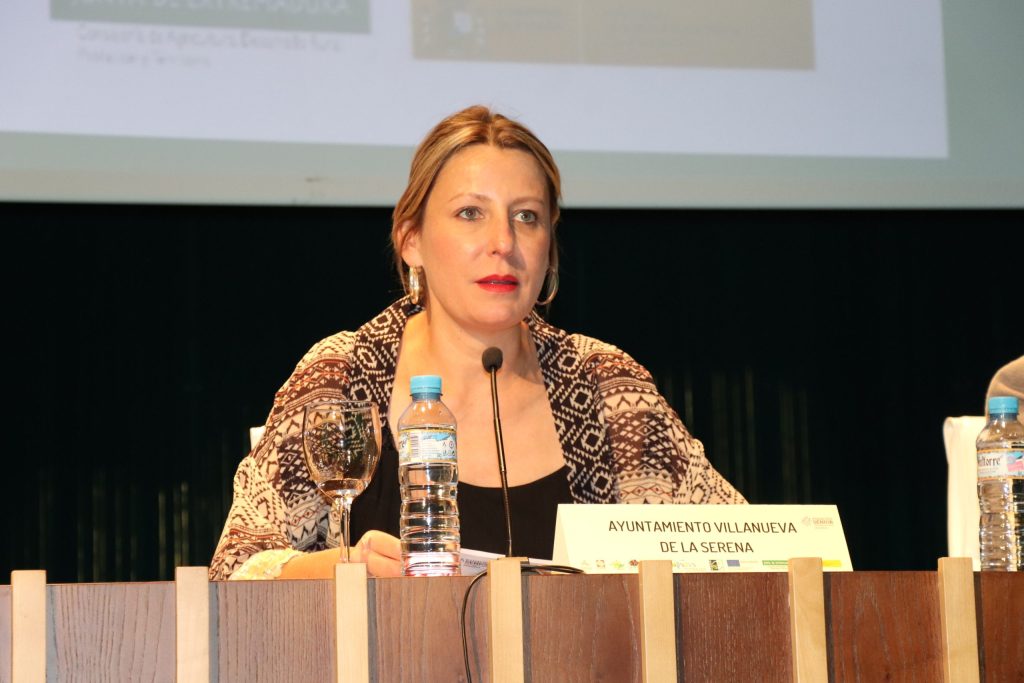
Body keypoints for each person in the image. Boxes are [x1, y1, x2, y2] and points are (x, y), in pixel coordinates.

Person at [209, 106, 745, 581]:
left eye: (527, 217)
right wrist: (340, 569)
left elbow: (743, 553)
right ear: (411, 240)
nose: (504, 243)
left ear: (550, 247)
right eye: (471, 213)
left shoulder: (607, 386)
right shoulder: (344, 376)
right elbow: (237, 569)